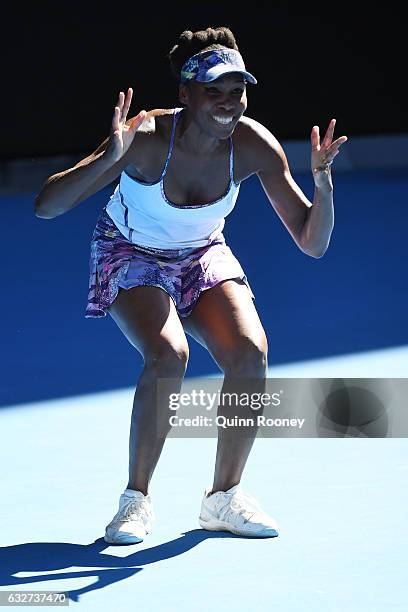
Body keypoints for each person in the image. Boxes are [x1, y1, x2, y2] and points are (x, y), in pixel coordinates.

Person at [35, 26, 347, 544]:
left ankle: (223, 498)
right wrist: (109, 158)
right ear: (185, 94)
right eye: (213, 91)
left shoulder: (253, 145)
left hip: (201, 254)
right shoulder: (147, 136)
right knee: (168, 354)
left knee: (250, 353)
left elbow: (313, 243)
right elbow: (47, 207)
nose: (228, 104)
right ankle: (135, 500)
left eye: (236, 92)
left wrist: (322, 183)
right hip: (130, 250)